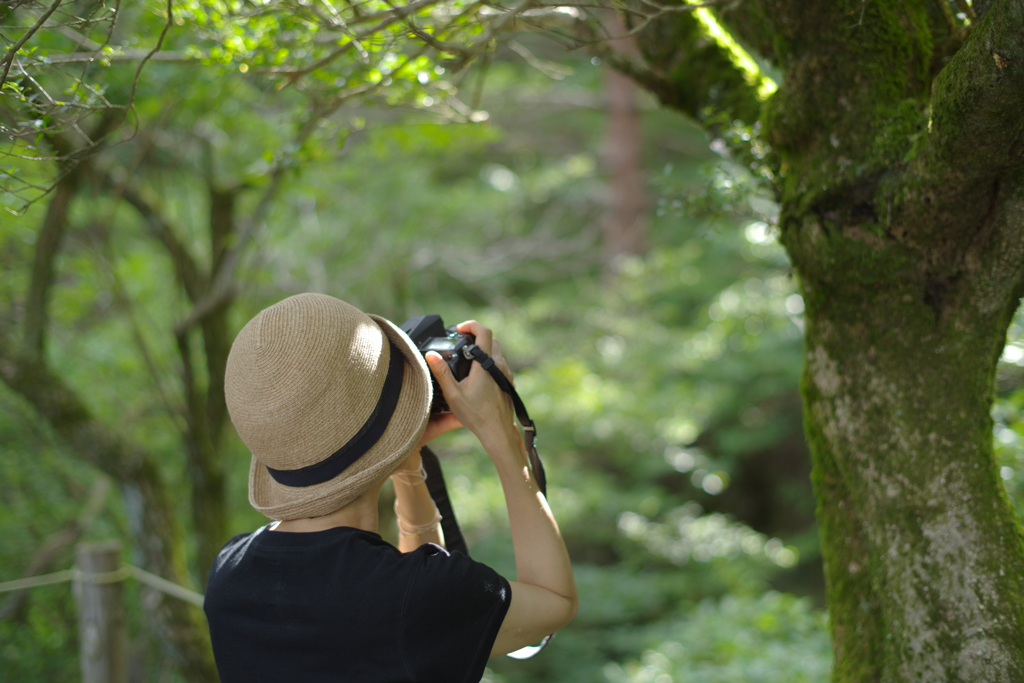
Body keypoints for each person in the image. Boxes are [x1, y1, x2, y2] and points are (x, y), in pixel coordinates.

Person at [203, 292, 578, 683]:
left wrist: (406, 461)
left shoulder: (229, 575)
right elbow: (556, 601)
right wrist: (501, 434)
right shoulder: (415, 598)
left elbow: (404, 588)